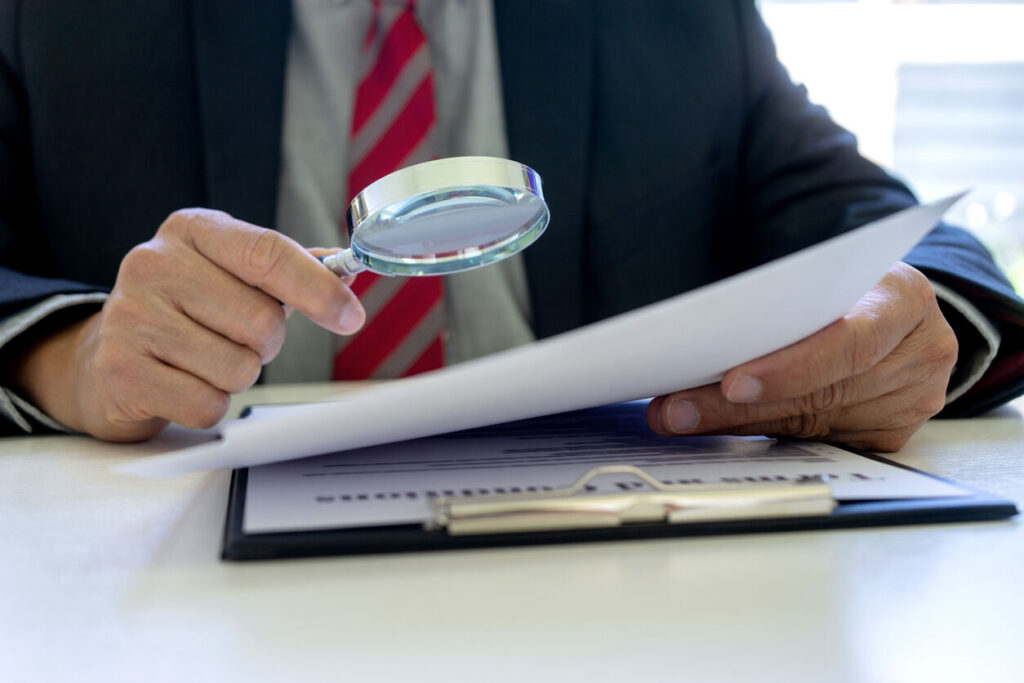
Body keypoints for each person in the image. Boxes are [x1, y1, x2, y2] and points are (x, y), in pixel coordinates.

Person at [1, 1, 1021, 449]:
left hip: (613, 561)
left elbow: (886, 233)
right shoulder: (60, 18)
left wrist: (912, 331)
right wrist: (76, 355)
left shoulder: (676, 17)